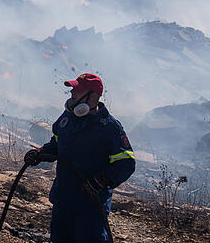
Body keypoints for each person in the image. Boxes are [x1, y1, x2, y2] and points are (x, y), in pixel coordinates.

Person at [24, 73, 135, 243]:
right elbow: (56, 144)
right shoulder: (66, 119)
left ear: (94, 97)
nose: (72, 94)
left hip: (90, 205)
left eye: (78, 90)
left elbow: (126, 163)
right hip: (64, 197)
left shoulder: (109, 128)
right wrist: (40, 153)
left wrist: (101, 180)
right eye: (72, 90)